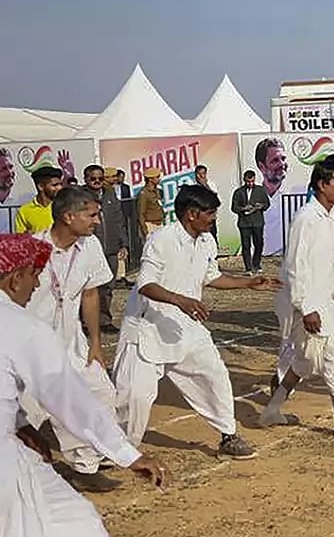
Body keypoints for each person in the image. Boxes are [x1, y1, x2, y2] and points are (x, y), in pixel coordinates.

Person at [0, 233, 169, 537]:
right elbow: (70, 400)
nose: (37, 285)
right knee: (74, 520)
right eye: (35, 275)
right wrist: (127, 454)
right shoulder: (22, 327)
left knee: (33, 523)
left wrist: (22, 425)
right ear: (15, 277)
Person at [112, 184, 272, 460]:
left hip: (186, 327)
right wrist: (181, 301)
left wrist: (248, 283)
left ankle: (228, 436)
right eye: (210, 213)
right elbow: (145, 285)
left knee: (215, 376)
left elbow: (211, 276)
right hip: (148, 328)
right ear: (192, 214)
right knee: (134, 397)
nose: (214, 218)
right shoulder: (162, 239)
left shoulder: (207, 241)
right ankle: (112, 448)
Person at [257, 158, 334, 438]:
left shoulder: (329, 219)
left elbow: (327, 265)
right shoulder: (307, 219)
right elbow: (295, 266)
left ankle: (272, 409)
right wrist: (306, 308)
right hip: (302, 302)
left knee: (303, 362)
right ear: (322, 185)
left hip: (320, 298)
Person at [22, 186, 124, 492]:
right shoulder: (31, 249)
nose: (97, 220)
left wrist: (95, 343)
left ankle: (85, 466)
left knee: (102, 395)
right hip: (31, 350)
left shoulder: (89, 246)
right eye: (91, 215)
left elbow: (90, 294)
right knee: (22, 414)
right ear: (68, 217)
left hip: (73, 344)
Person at [84, 165, 128, 333]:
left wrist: (124, 244)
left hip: (111, 248)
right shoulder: (80, 196)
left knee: (108, 286)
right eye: (93, 178)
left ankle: (104, 320)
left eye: (100, 178)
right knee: (89, 287)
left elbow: (119, 220)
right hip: (89, 248)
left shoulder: (110, 195)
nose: (97, 181)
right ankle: (86, 322)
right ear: (86, 179)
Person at [231, 170, 270, 273]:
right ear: (244, 180)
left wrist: (261, 206)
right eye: (248, 181)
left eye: (252, 181)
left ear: (255, 179)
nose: (250, 183)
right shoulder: (238, 192)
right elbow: (234, 207)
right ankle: (248, 267)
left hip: (257, 222)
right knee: (246, 245)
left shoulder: (260, 190)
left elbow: (267, 204)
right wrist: (243, 209)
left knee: (259, 244)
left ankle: (256, 264)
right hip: (244, 223)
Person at [14, 166, 62, 234]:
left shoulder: (63, 207)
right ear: (41, 186)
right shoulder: (24, 211)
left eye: (60, 184)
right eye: (55, 185)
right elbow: (20, 237)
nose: (60, 188)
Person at [136, 167, 165, 238]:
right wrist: (145, 231)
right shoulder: (144, 194)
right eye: (157, 177)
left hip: (160, 224)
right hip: (150, 225)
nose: (159, 179)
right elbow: (141, 214)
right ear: (150, 179)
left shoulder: (157, 191)